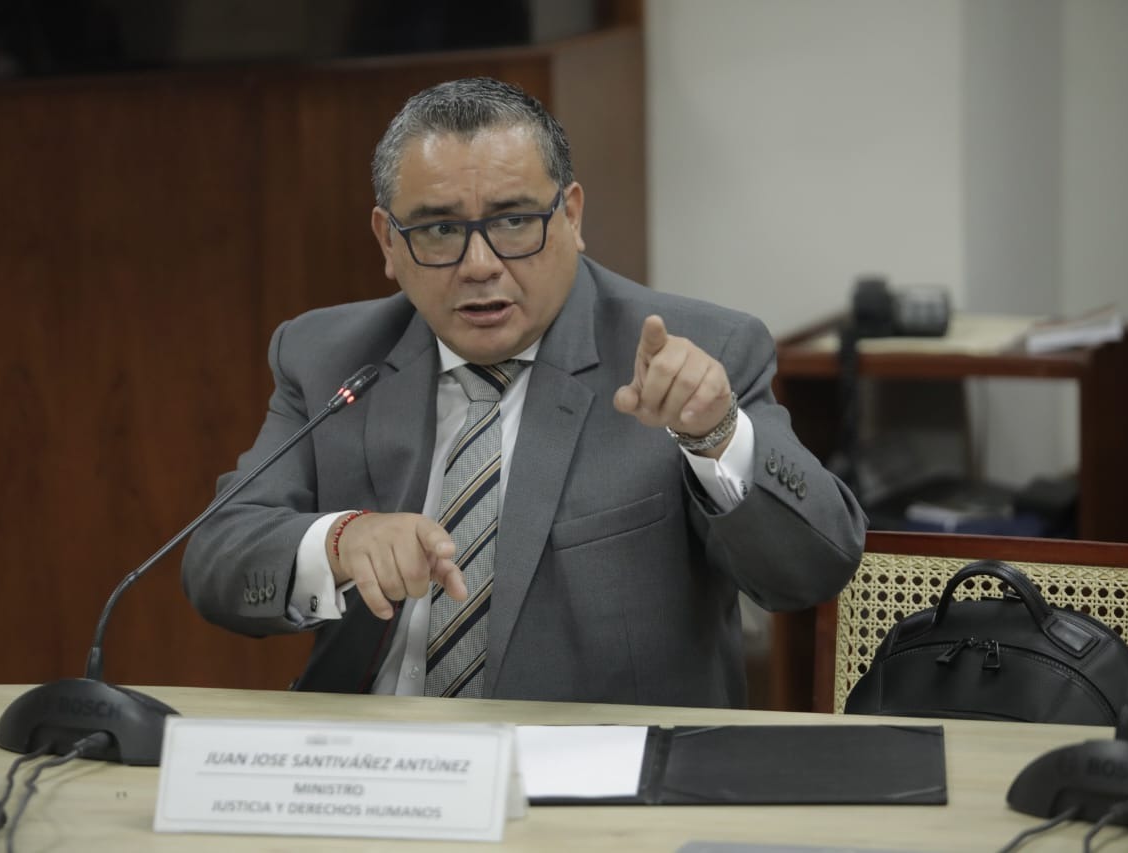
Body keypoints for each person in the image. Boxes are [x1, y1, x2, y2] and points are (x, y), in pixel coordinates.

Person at [181, 77, 867, 707]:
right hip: (373, 773)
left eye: (514, 221)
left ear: (570, 215)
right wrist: (337, 541)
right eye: (440, 229)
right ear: (388, 242)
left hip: (597, 786)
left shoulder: (693, 353)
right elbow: (217, 559)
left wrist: (717, 436)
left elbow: (811, 571)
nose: (480, 266)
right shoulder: (326, 355)